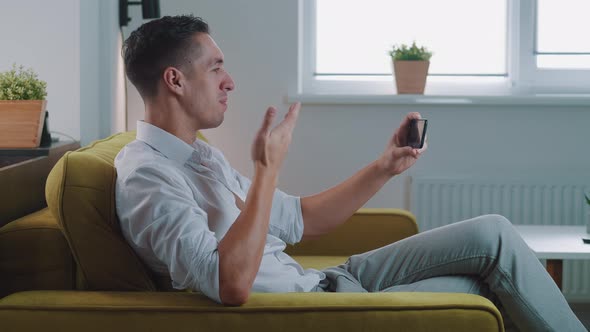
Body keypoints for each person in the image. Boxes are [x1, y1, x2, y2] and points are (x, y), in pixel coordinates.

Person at [115, 15, 585, 332]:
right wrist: (265, 172)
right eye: (216, 68)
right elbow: (229, 284)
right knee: (484, 291)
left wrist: (383, 168)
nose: (230, 82)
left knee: (494, 235)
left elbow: (300, 221)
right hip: (317, 305)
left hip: (331, 279)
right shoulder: (146, 178)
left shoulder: (200, 156)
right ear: (175, 80)